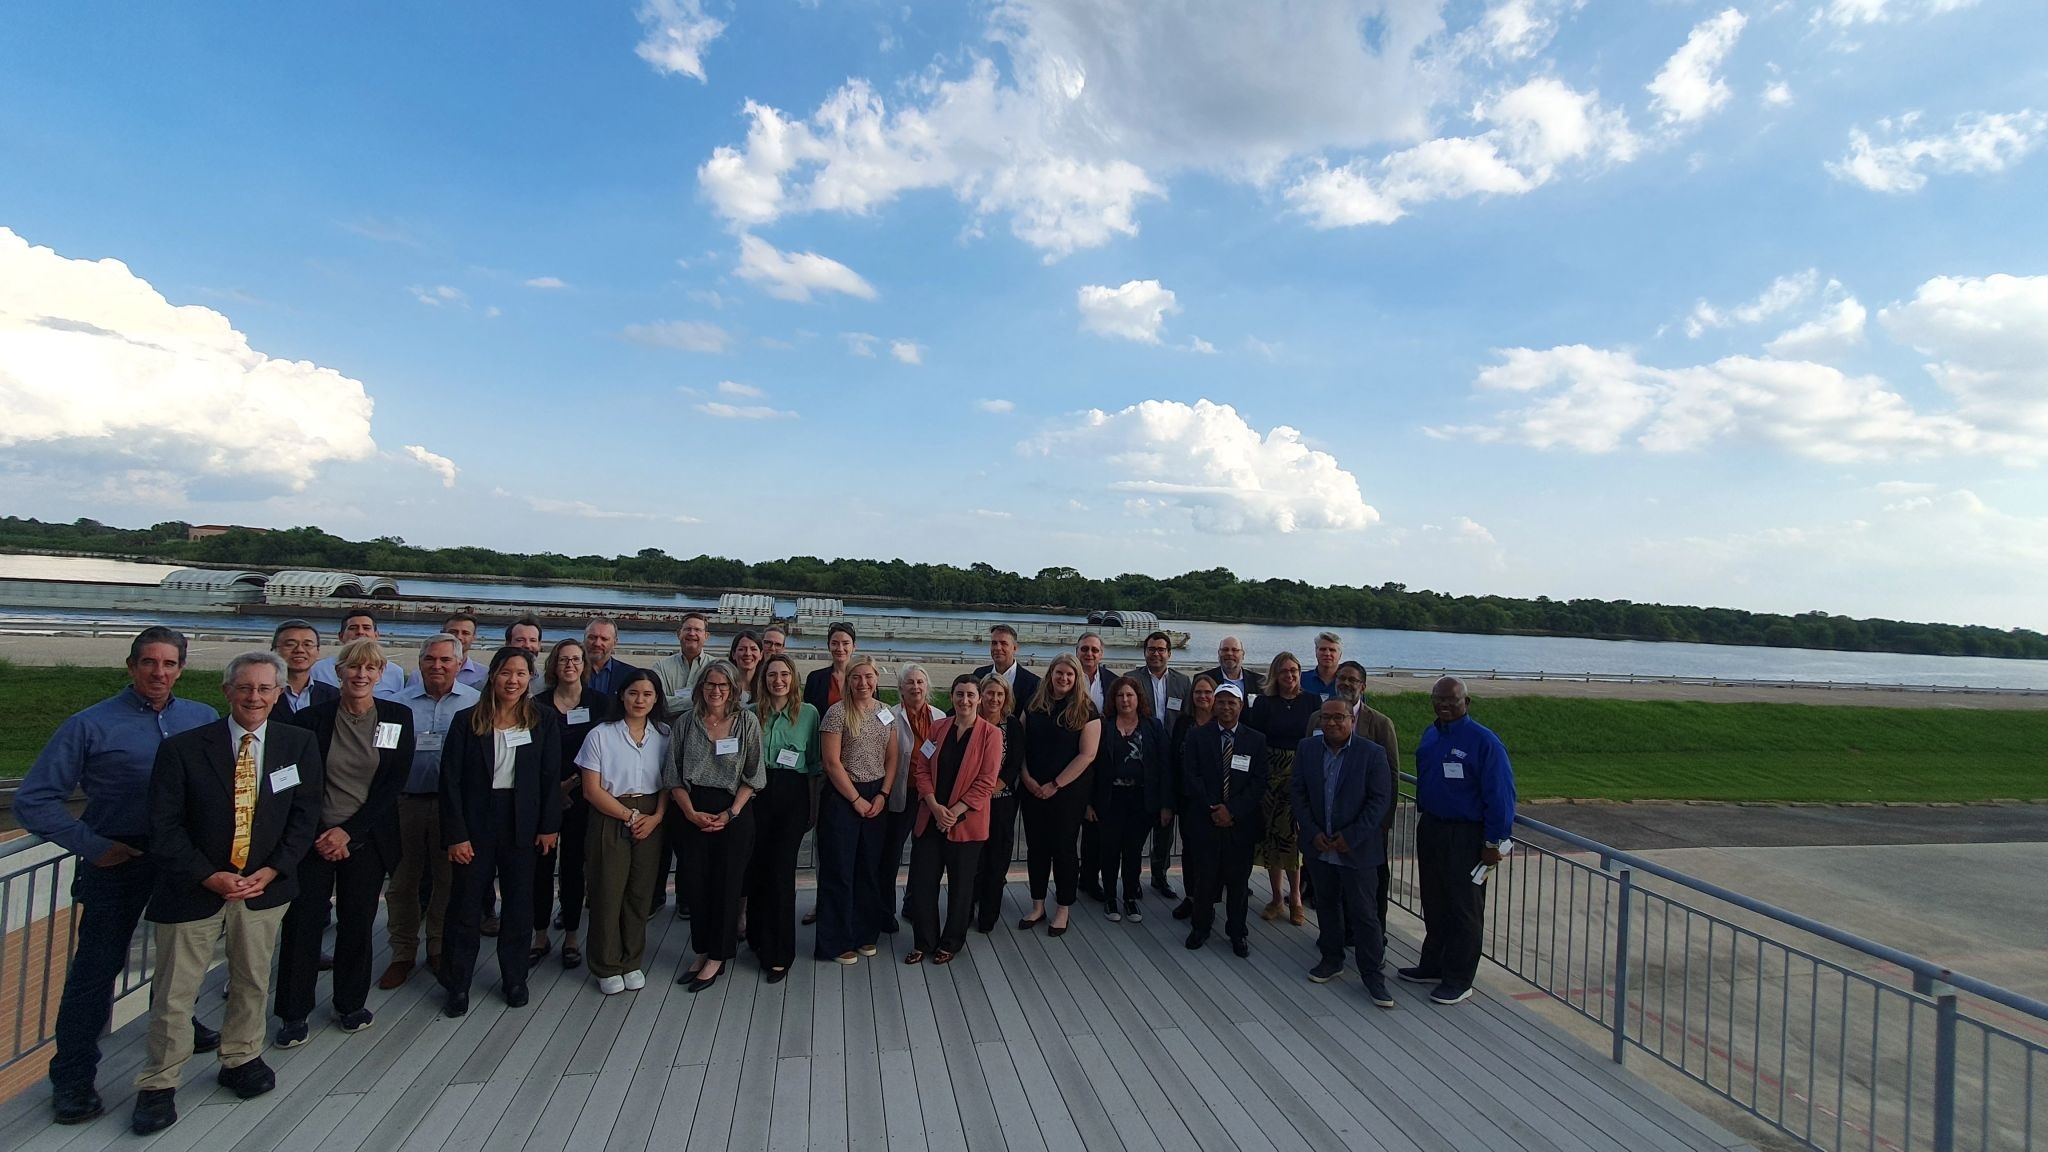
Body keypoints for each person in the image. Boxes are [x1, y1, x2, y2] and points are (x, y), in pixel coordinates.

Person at [17, 627, 223, 1126]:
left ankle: (180, 1024)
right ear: (130, 666)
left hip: (181, 861)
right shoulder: (89, 725)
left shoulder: (202, 718)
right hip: (119, 858)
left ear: (181, 668)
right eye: (149, 663)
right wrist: (93, 846)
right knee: (95, 973)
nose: (159, 673)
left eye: (169, 664)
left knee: (181, 957)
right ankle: (72, 1077)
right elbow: (34, 799)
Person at [129, 651, 322, 1135]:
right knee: (176, 992)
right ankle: (158, 1082)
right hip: (195, 889)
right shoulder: (185, 749)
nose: (254, 697)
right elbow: (165, 825)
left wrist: (275, 870)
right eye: (245, 688)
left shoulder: (297, 744)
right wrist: (208, 875)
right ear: (226, 691)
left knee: (252, 980)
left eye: (264, 689)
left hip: (262, 890)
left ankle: (240, 1058)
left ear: (279, 693)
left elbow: (304, 815)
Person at [272, 637, 414, 1048]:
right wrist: (322, 832)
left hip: (365, 839)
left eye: (370, 669)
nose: (361, 675)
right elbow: (296, 784)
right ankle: (293, 1012)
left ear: (380, 674)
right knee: (302, 926)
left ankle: (350, 1003)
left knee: (357, 923)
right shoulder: (312, 721)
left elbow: (391, 784)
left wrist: (349, 832)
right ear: (338, 672)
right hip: (314, 840)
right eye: (353, 667)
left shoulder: (395, 717)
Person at [437, 648, 562, 1017]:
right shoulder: (466, 721)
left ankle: (514, 977)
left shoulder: (543, 720)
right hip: (475, 822)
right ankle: (457, 983)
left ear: (530, 679)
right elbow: (450, 782)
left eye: (521, 674)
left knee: (519, 904)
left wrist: (548, 827)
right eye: (507, 672)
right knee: (464, 905)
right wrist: (456, 835)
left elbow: (549, 779)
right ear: (493, 676)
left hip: (522, 821)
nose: (513, 680)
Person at [1402, 677, 1517, 1006]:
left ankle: (1459, 978)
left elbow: (1501, 796)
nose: (1444, 705)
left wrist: (1493, 842)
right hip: (1433, 827)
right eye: (1439, 699)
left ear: (1467, 702)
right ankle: (1433, 964)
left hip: (1466, 835)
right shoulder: (1431, 733)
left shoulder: (1484, 742)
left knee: (1464, 908)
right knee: (1434, 900)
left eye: (1452, 700)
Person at [380, 634, 479, 989]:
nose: (437, 666)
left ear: (458, 663)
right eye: (430, 660)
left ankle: (437, 947)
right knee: (403, 882)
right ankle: (402, 953)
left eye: (445, 661)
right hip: (405, 803)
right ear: (419, 662)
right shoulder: (396, 705)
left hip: (453, 808)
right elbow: (383, 758)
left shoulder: (475, 704)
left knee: (446, 881)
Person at [665, 660, 764, 991]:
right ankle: (702, 949)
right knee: (696, 885)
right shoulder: (685, 723)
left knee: (726, 886)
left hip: (733, 813)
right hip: (691, 812)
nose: (716, 690)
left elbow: (754, 774)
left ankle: (719, 957)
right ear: (700, 688)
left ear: (734, 689)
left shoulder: (746, 722)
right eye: (710, 684)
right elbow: (672, 774)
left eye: (723, 685)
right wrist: (691, 813)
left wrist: (731, 813)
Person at [1293, 699, 1393, 1006]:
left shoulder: (1372, 754)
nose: (1332, 723)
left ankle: (1372, 974)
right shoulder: (1307, 749)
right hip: (1319, 847)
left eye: (1339, 717)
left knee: (1364, 913)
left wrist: (1351, 837)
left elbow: (1379, 801)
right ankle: (1331, 958)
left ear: (1352, 720)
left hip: (1357, 850)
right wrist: (1312, 832)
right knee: (1326, 903)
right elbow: (1298, 792)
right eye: (1326, 717)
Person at [577, 668, 670, 994]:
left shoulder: (663, 734)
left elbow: (668, 783)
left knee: (639, 892)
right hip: (611, 813)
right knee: (607, 891)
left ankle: (632, 960)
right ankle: (606, 963)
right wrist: (628, 816)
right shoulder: (601, 735)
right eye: (633, 693)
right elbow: (591, 789)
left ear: (656, 698)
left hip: (651, 818)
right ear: (621, 695)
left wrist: (657, 816)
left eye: (647, 694)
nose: (639, 700)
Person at [905, 675, 1002, 964]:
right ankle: (924, 941)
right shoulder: (937, 728)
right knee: (923, 884)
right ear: (952, 696)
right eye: (959, 694)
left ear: (980, 698)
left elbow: (987, 782)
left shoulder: (991, 735)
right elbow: (922, 769)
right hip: (930, 818)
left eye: (971, 695)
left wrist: (953, 813)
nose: (965, 700)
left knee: (961, 888)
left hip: (965, 824)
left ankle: (951, 942)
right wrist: (935, 807)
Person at [813, 655, 899, 965]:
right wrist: (855, 799)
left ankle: (865, 933)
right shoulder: (836, 714)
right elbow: (831, 763)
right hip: (843, 797)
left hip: (877, 795)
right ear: (847, 680)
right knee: (840, 870)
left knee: (868, 869)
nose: (863, 683)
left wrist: (883, 794)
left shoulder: (885, 713)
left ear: (877, 679)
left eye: (869, 677)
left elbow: (892, 758)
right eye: (856, 677)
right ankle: (835, 941)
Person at [534, 638, 610, 971]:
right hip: (543, 797)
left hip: (584, 794)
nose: (570, 665)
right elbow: (528, 755)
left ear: (585, 665)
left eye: (576, 659)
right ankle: (539, 935)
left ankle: (572, 937)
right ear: (553, 665)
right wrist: (554, 789)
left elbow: (605, 749)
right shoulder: (535, 705)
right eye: (563, 659)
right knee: (539, 867)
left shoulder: (600, 703)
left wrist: (573, 784)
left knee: (574, 867)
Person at [745, 653, 821, 982]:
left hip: (793, 796)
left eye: (784, 675)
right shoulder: (748, 715)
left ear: (793, 679)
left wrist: (813, 807)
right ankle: (758, 937)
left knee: (781, 872)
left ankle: (780, 953)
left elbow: (815, 767)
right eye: (772, 674)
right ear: (763, 679)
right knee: (757, 868)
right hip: (756, 794)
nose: (778, 680)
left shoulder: (808, 714)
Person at [1016, 653, 1101, 938]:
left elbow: (1087, 755)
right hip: (1032, 789)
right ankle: (1037, 905)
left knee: (1064, 849)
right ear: (1050, 674)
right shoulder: (1034, 704)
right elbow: (1021, 744)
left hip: (1067, 792)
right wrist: (1026, 777)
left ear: (1077, 679)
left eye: (1070, 674)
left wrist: (1055, 784)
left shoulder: (1087, 710)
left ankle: (1063, 907)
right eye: (1059, 673)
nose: (1064, 678)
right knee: (1036, 848)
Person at [1179, 683, 1266, 958]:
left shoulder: (1256, 740)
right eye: (1221, 702)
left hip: (1240, 824)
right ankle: (1201, 926)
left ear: (1241, 706)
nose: (1226, 708)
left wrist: (1233, 811)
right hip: (1206, 820)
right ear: (1213, 705)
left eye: (1232, 703)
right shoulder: (1198, 737)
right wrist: (1214, 808)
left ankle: (1237, 931)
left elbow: (1258, 781)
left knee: (1238, 882)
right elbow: (1191, 775)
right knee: (1205, 878)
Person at [1247, 652, 1319, 927]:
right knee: (1272, 839)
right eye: (1285, 671)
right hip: (1271, 776)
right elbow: (1256, 740)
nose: (1290, 676)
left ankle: (1296, 899)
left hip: (1298, 775)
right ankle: (1276, 897)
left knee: (1292, 840)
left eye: (1295, 671)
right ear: (1275, 675)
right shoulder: (1265, 703)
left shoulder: (1312, 701)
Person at [1093, 675, 1170, 923]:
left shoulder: (1153, 726)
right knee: (1109, 850)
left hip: (1141, 799)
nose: (1125, 700)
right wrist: (1089, 803)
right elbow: (1091, 768)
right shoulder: (1103, 726)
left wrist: (1166, 804)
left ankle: (1129, 898)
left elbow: (1164, 766)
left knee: (1133, 851)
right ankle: (1110, 899)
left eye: (1130, 695)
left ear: (1138, 699)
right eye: (1120, 695)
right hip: (1110, 798)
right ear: (1113, 700)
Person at [1333, 660, 1400, 942]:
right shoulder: (1319, 718)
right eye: (1342, 679)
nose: (1346, 684)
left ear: (1363, 686)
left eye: (1352, 680)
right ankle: (1342, 932)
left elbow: (1392, 775)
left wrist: (1384, 821)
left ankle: (1375, 934)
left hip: (1368, 822)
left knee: (1371, 882)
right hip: (1332, 819)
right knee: (1336, 880)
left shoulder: (1380, 723)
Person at [879, 664, 946, 933]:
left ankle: (913, 905)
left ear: (926, 686)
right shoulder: (889, 716)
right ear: (901, 689)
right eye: (910, 683)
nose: (916, 687)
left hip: (928, 797)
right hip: (901, 794)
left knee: (924, 855)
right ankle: (885, 911)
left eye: (920, 682)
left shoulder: (940, 716)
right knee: (891, 855)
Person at [1134, 631, 1190, 898]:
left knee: (1166, 826)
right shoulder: (1132, 679)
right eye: (1151, 649)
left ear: (1169, 653)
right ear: (1144, 651)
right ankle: (1132, 875)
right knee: (1138, 824)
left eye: (1161, 649)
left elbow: (1187, 719)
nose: (1156, 653)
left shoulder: (1182, 682)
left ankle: (1160, 875)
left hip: (1173, 761)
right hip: (1140, 757)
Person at [969, 674, 1026, 935]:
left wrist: (994, 787)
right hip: (970, 804)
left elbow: (1014, 764)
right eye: (990, 693)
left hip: (1001, 803)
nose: (994, 699)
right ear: (981, 695)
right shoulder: (969, 721)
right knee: (971, 862)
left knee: (997, 860)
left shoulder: (1012, 726)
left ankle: (989, 915)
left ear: (1006, 698)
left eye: (1000, 694)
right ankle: (965, 910)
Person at [1072, 633, 1119, 903]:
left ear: (1101, 654)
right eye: (1084, 649)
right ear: (1076, 651)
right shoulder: (1063, 676)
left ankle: (1089, 879)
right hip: (1069, 757)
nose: (1089, 654)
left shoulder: (1112, 682)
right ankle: (1067, 877)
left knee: (1095, 826)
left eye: (1094, 650)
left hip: (1101, 761)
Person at [1168, 675, 1216, 923]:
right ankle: (1191, 897)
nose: (1202, 697)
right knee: (1189, 850)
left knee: (1212, 852)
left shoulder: (1221, 723)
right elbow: (1174, 761)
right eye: (1198, 692)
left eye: (1207, 692)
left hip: (1215, 800)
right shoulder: (1184, 723)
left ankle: (1210, 899)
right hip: (1187, 798)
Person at [310, 611, 405, 697]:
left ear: (376, 635)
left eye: (366, 628)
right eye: (353, 628)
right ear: (341, 636)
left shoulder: (396, 672)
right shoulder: (319, 669)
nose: (360, 632)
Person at [652, 612, 713, 715]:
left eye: (697, 630)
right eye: (687, 629)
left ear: (706, 636)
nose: (692, 633)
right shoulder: (661, 667)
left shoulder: (716, 666)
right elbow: (657, 702)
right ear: (678, 634)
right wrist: (698, 702)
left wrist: (674, 703)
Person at [272, 619, 336, 715]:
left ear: (318, 651)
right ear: (274, 650)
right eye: (290, 644)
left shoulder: (333, 695)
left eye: (307, 645)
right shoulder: (262, 693)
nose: (299, 650)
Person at [971, 623, 1040, 706]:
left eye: (1004, 643)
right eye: (994, 643)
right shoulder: (979, 675)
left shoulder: (1033, 683)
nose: (998, 648)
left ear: (1015, 648)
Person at [803, 620, 857, 713]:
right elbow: (808, 715)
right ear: (828, 646)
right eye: (834, 643)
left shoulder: (865, 679)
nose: (840, 648)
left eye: (845, 643)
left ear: (854, 647)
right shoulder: (815, 679)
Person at [584, 617, 637, 700]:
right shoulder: (570, 671)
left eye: (604, 639)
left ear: (615, 643)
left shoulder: (630, 675)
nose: (597, 643)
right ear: (584, 639)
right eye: (592, 637)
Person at [1199, 635, 1265, 700]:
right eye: (1225, 650)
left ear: (1243, 655)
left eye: (1235, 650)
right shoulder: (1204, 679)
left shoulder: (1259, 681)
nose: (1229, 653)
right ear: (1219, 653)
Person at [1301, 631, 1344, 702]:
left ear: (1340, 654)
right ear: (1316, 652)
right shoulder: (1301, 680)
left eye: (1332, 650)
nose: (1327, 653)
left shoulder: (1348, 683)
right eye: (1323, 649)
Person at [728, 629, 764, 705]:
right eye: (742, 649)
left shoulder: (766, 686)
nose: (748, 653)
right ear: (733, 654)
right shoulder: (725, 685)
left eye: (753, 649)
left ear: (761, 655)